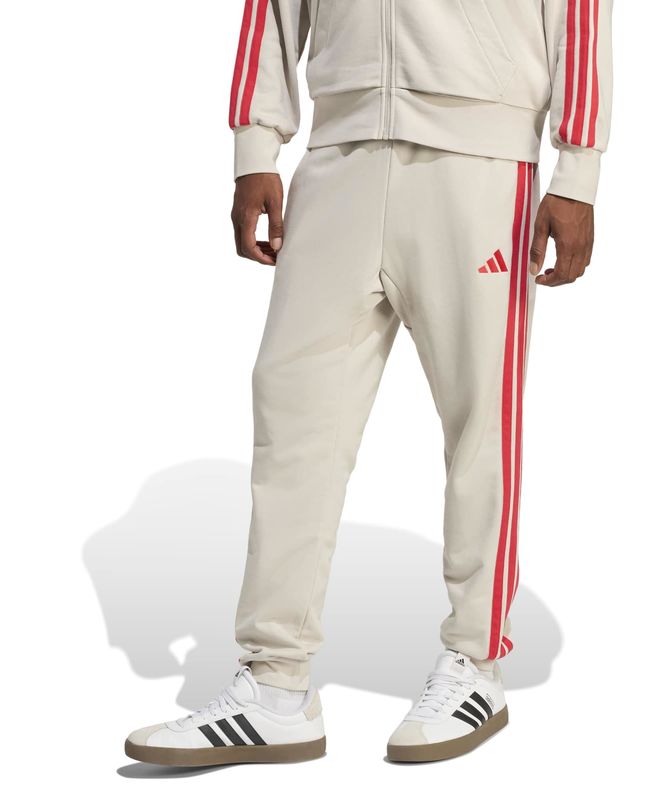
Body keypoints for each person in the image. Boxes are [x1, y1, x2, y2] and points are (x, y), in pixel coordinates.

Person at [125, 0, 613, 766]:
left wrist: (577, 171)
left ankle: (475, 661)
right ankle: (275, 686)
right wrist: (256, 146)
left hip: (480, 159)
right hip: (339, 152)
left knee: (483, 421)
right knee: (292, 414)